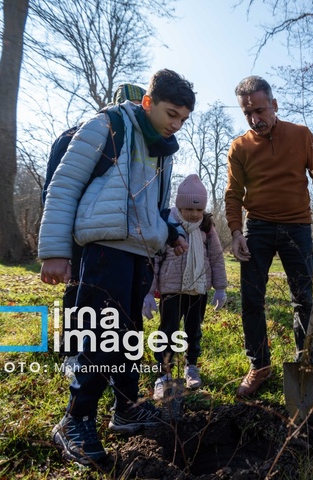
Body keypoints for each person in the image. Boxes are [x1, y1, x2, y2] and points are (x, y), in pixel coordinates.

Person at [39, 69, 196, 465]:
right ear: (148, 102)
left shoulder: (161, 148)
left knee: (127, 334)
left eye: (182, 119)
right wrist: (56, 251)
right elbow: (66, 184)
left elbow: (156, 207)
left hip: (139, 252)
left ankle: (125, 408)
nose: (175, 124)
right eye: (171, 113)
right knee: (101, 335)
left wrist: (171, 231)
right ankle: (75, 420)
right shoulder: (107, 126)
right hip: (104, 248)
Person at [225, 75, 313, 397]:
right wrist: (237, 231)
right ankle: (259, 364)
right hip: (258, 229)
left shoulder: (301, 135)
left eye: (261, 110)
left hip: (298, 227)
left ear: (274, 105)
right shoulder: (239, 147)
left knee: (303, 300)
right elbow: (233, 194)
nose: (255, 118)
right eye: (248, 113)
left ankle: (305, 361)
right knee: (251, 299)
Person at [42, 83, 147, 359]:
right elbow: (54, 191)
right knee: (77, 291)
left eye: (140, 107)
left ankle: (110, 356)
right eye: (130, 106)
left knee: (113, 299)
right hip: (80, 232)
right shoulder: (76, 136)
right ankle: (72, 352)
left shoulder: (142, 145)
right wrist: (59, 247)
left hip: (114, 235)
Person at [143, 174, 228, 400]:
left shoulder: (207, 228)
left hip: (198, 290)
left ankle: (191, 366)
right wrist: (149, 292)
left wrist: (220, 287)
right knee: (167, 331)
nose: (194, 214)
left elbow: (217, 258)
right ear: (179, 206)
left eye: (199, 210)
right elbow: (155, 259)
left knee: (194, 331)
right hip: (172, 290)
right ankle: (164, 374)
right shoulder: (168, 226)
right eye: (189, 208)